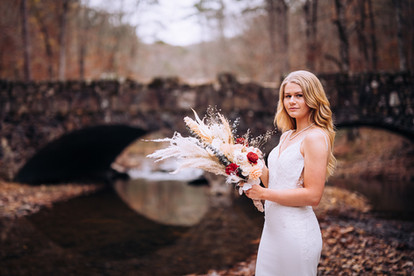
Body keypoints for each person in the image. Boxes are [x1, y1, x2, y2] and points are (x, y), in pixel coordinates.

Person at [244, 70, 336, 276]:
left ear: (312, 98)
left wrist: (263, 194)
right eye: (287, 96)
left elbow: (313, 196)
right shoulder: (287, 136)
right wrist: (253, 163)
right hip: (272, 232)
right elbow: (276, 182)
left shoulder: (315, 137)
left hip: (296, 234)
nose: (292, 101)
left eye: (299, 95)